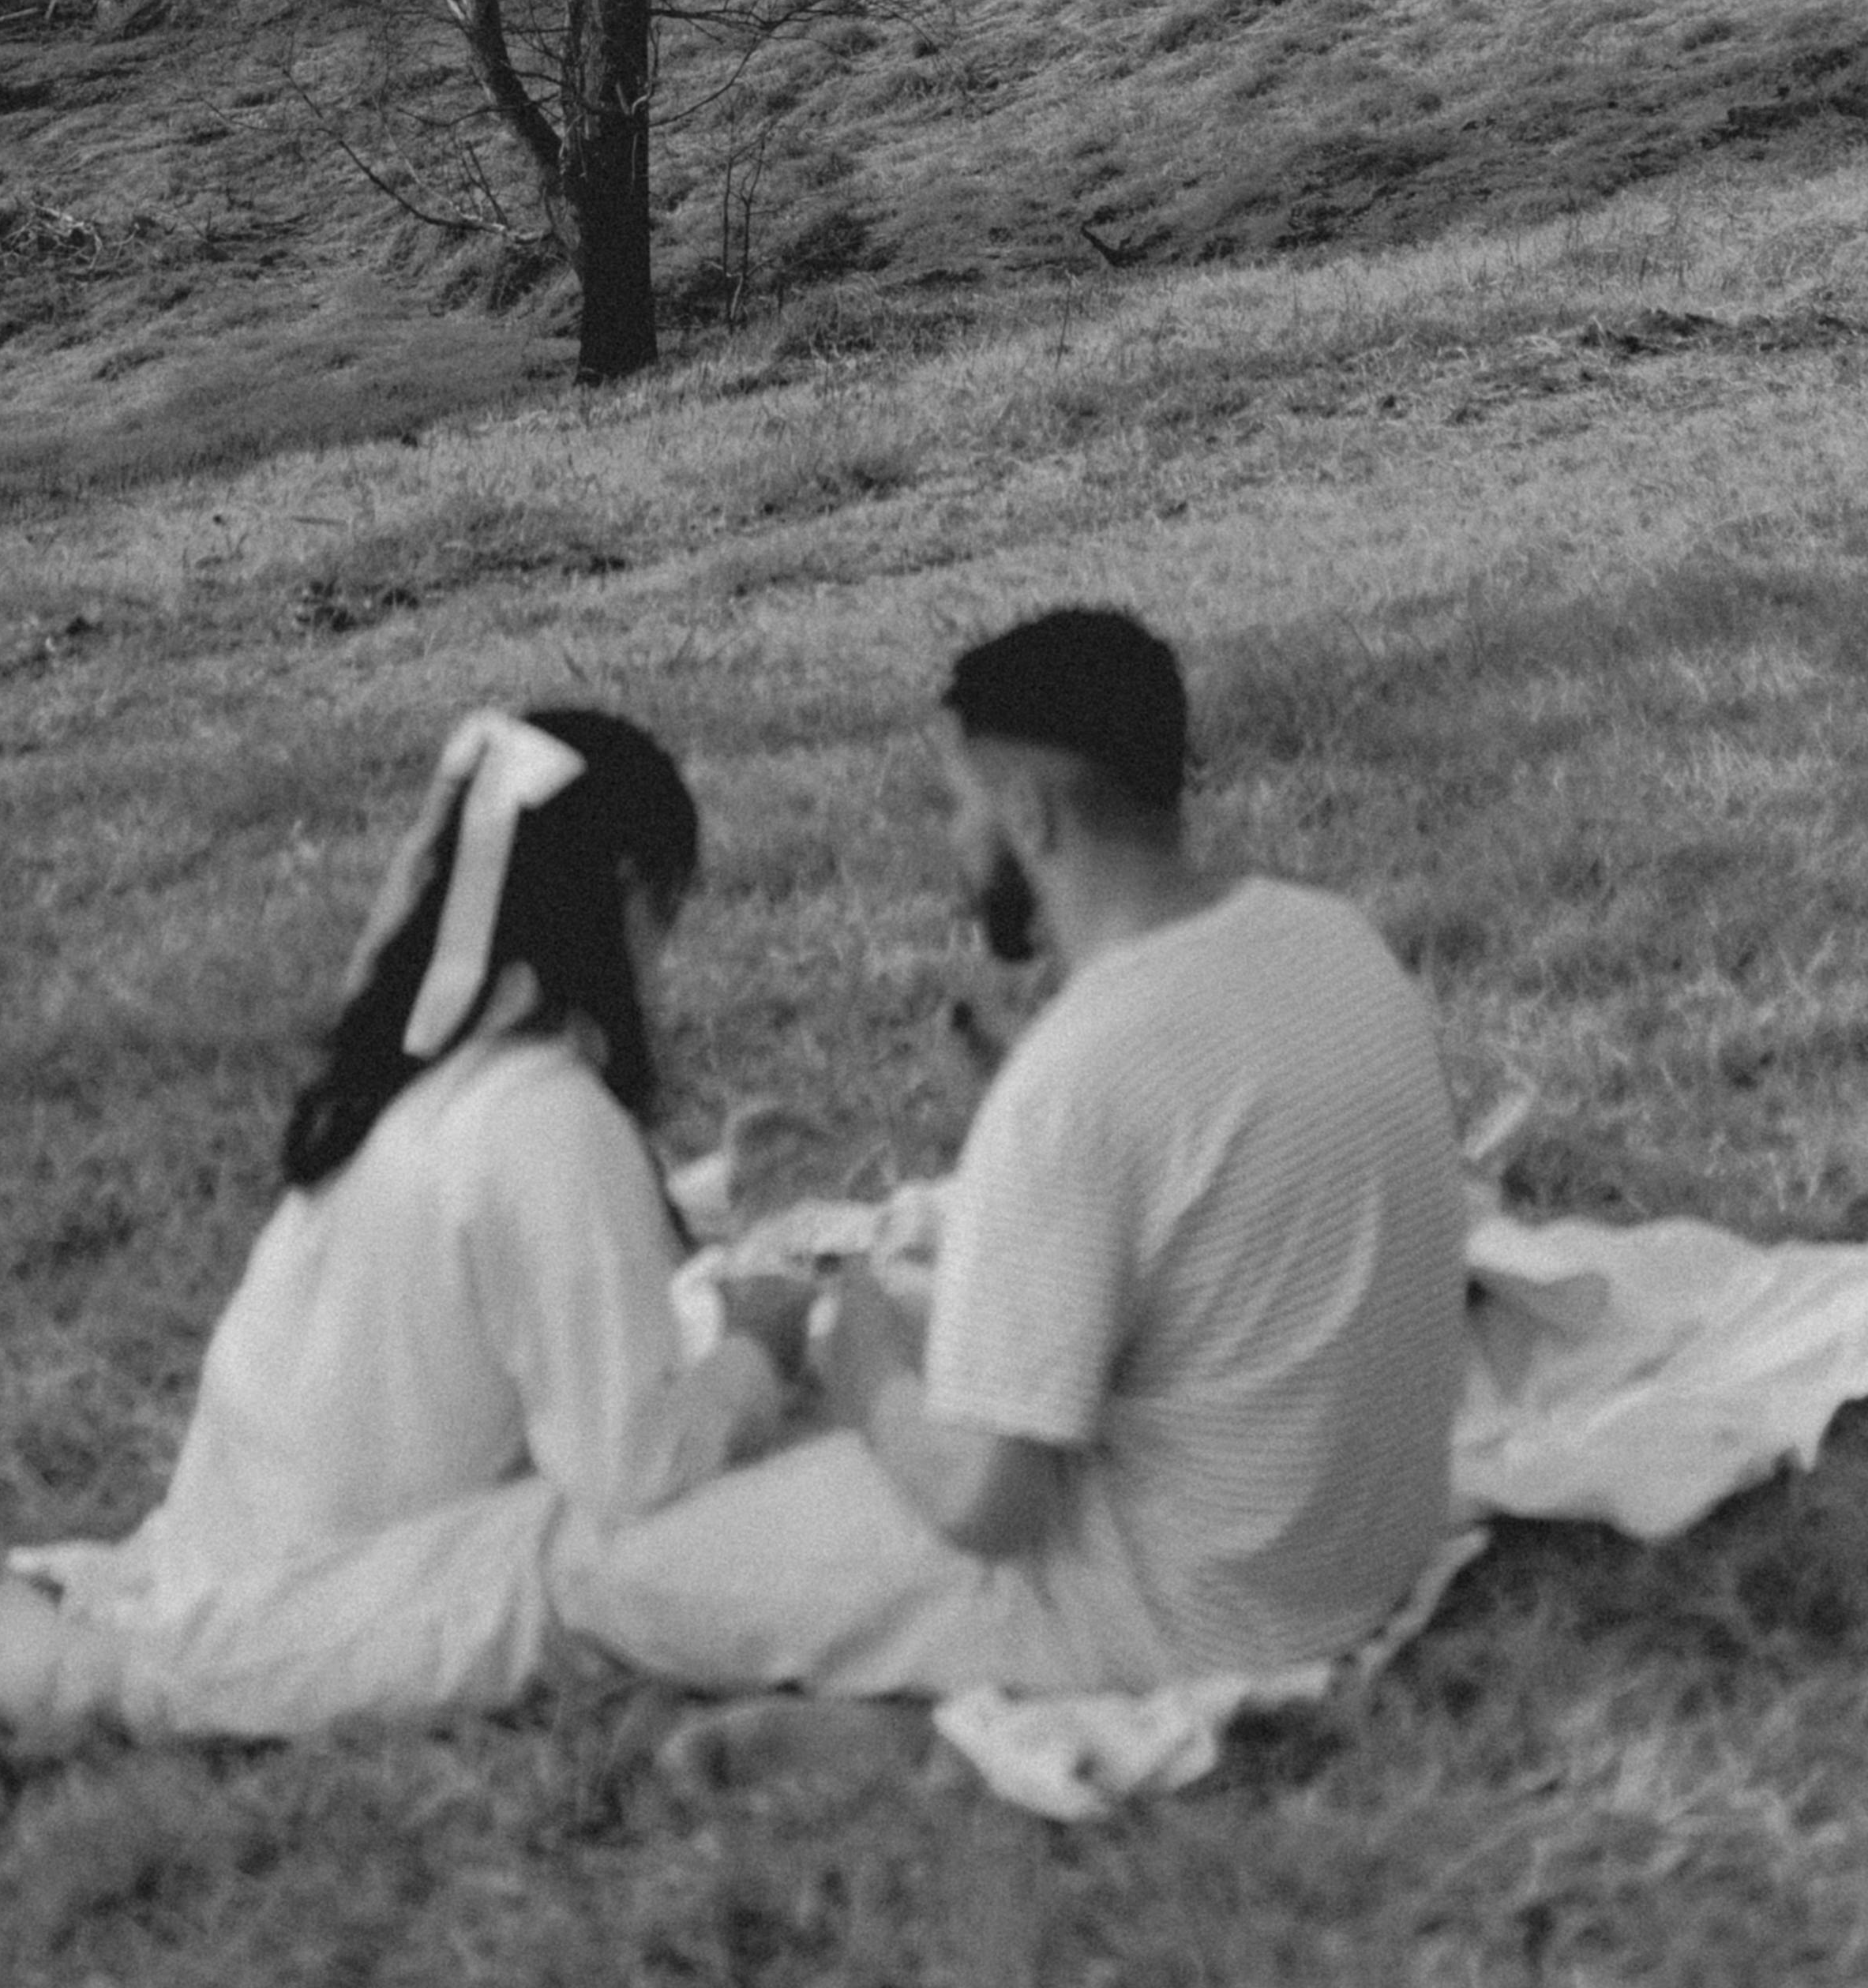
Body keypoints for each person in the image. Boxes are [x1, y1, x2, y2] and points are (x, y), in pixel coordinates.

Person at [553, 606, 1468, 1700]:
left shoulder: (1075, 1079)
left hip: (1193, 1612)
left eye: (958, 805)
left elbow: (991, 1508)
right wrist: (1012, 1124)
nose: (952, 841)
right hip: (1359, 1542)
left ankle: (924, 1724)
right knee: (896, 1304)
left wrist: (868, 1378)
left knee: (596, 1561)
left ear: (1028, 814)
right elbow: (1196, 1161)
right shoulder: (1325, 933)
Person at [0, 704, 794, 1739]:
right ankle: (123, 1674)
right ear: (621, 902)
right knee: (576, 1540)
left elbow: (501, 1265)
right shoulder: (548, 1117)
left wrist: (706, 1199)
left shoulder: (425, 1079)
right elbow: (628, 1462)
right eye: (663, 921)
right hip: (347, 1578)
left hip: (240, 1521)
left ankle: (148, 1617)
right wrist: (758, 1355)